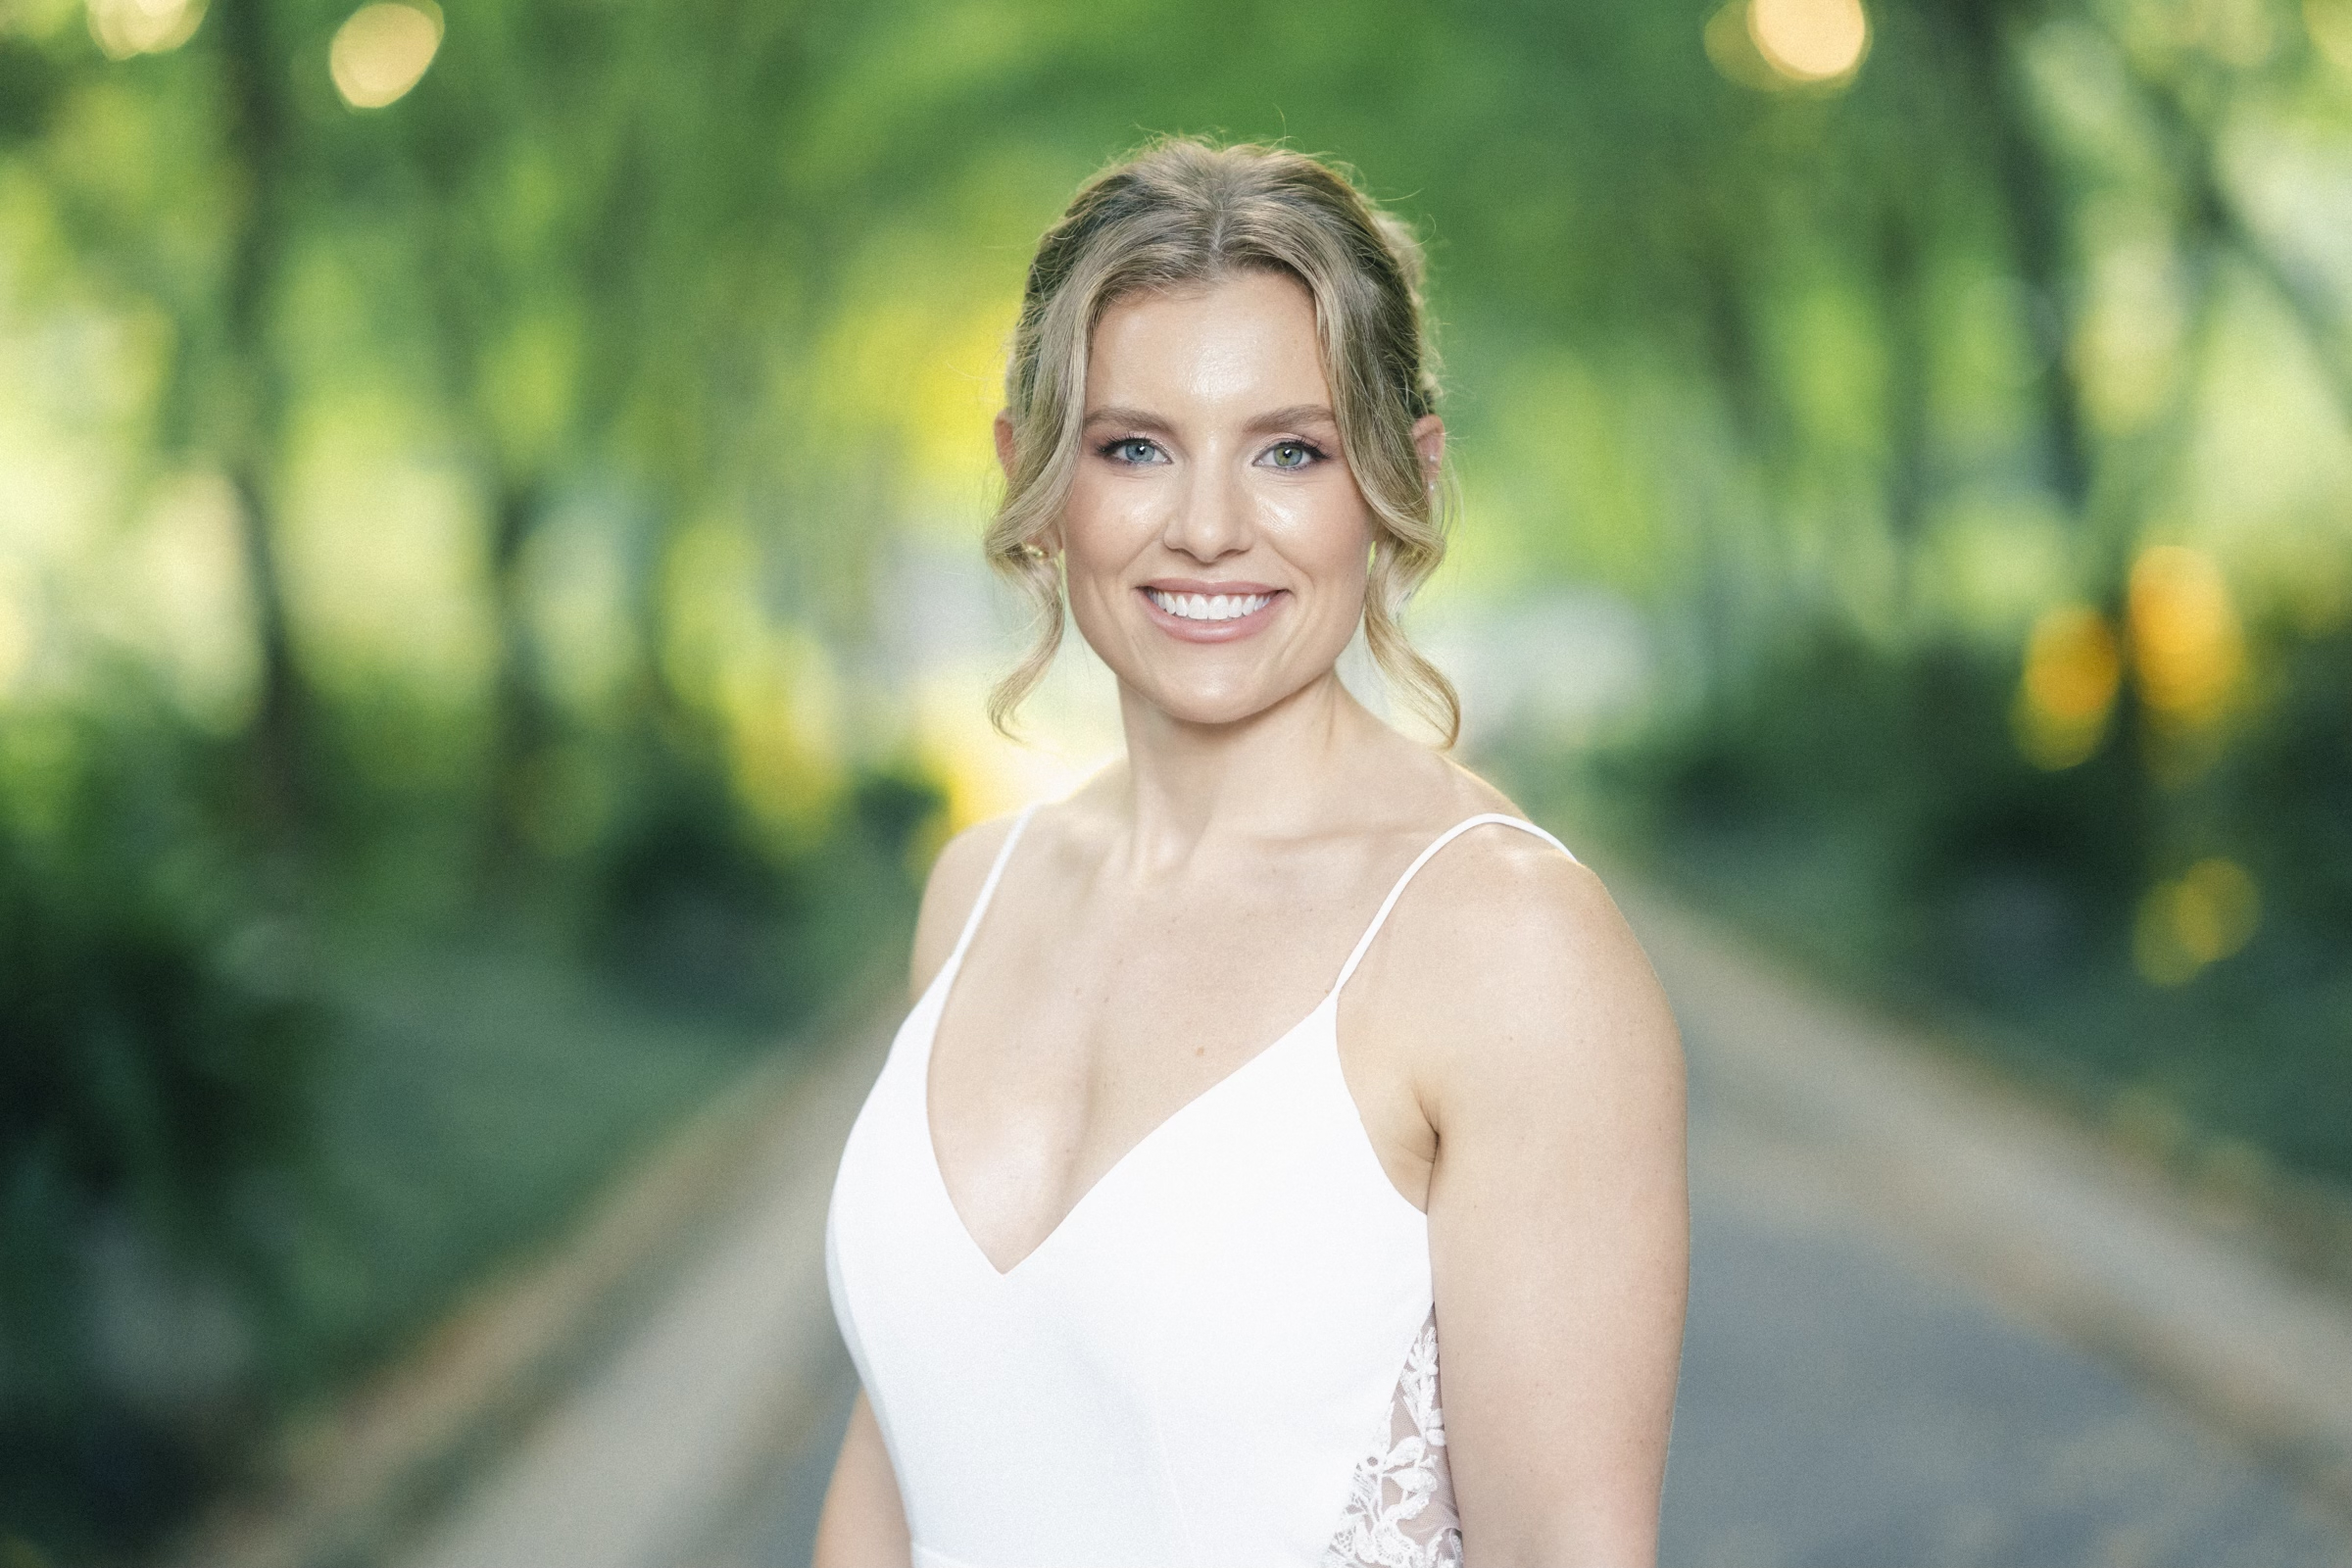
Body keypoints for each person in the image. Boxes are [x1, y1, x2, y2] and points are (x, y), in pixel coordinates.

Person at [815, 138, 1686, 1568]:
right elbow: (903, 1456)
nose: (1209, 528)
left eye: (1291, 450)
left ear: (1401, 479)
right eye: (1134, 447)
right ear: (1032, 471)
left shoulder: (1507, 944)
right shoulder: (977, 893)